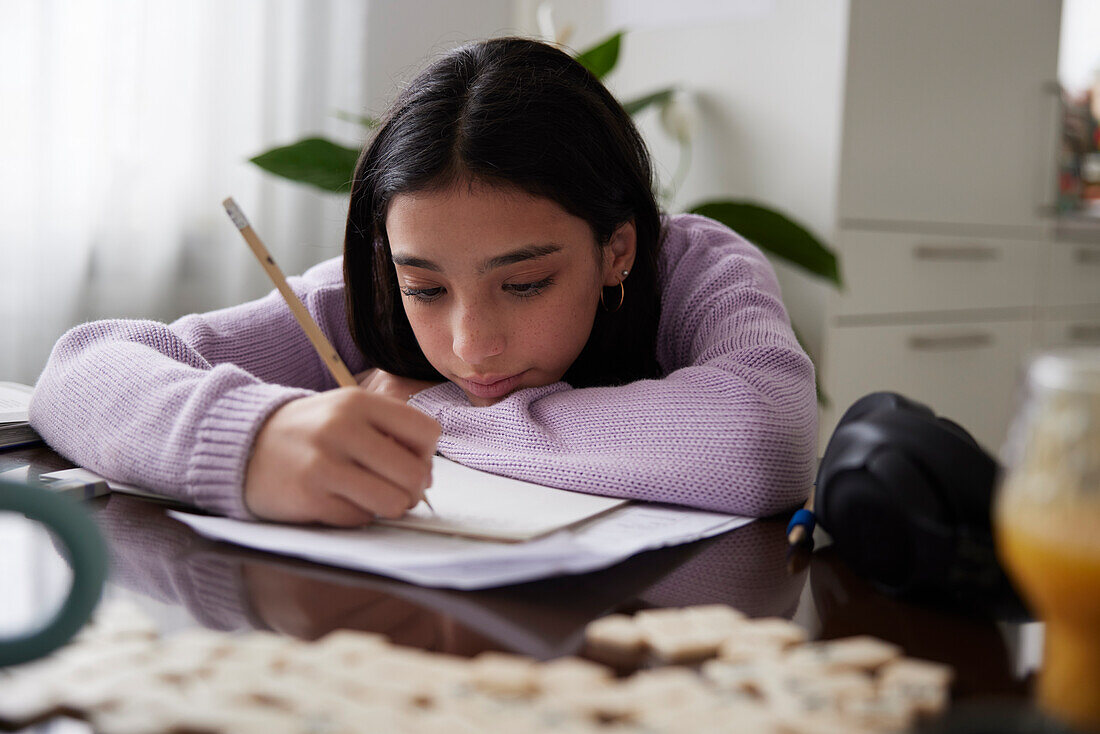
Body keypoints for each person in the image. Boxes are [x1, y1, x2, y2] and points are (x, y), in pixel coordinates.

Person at [30, 37, 817, 526]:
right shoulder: (364, 295)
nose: (471, 345)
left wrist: (422, 408)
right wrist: (252, 441)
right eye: (427, 290)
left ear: (616, 248)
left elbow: (760, 439)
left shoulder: (695, 268)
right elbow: (79, 372)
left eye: (526, 283)